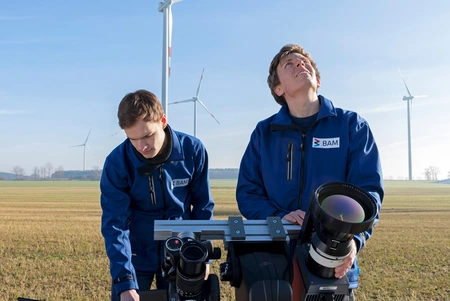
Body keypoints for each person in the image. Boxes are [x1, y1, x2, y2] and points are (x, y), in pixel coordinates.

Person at [236, 44, 383, 300]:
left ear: (318, 79)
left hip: (331, 258)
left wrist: (354, 243)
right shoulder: (264, 133)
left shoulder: (352, 126)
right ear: (278, 89)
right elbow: (248, 192)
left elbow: (368, 193)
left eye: (305, 62)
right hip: (275, 259)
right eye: (289, 64)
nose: (300, 65)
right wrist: (277, 216)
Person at [100, 89, 215, 301]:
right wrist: (124, 282)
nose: (141, 147)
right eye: (133, 139)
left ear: (162, 121)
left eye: (147, 136)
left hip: (180, 250)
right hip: (135, 254)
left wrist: (203, 256)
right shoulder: (117, 163)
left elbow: (203, 207)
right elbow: (115, 224)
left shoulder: (193, 150)